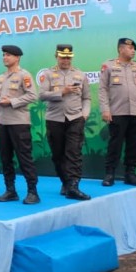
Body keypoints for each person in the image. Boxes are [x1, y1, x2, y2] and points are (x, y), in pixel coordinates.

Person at [99, 37, 136, 186]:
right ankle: (109, 173)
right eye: (130, 48)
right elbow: (103, 90)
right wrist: (105, 109)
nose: (133, 51)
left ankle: (130, 174)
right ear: (120, 49)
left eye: (134, 49)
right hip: (117, 112)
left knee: (135, 144)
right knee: (115, 144)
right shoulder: (108, 66)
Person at [39, 44, 91, 200]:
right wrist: (62, 92)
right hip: (54, 119)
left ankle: (74, 186)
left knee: (74, 153)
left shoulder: (80, 75)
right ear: (57, 56)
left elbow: (87, 98)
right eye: (63, 57)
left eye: (68, 57)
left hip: (75, 118)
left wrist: (84, 114)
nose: (66, 60)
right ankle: (66, 183)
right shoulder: (48, 74)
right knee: (58, 154)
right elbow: (42, 95)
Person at [0, 45, 40, 205]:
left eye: (9, 55)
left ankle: (33, 192)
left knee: (24, 158)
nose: (5, 57)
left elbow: (33, 96)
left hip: (19, 123)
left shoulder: (24, 75)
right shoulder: (1, 78)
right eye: (4, 55)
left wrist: (12, 102)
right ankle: (10, 191)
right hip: (3, 123)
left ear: (17, 57)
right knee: (5, 159)